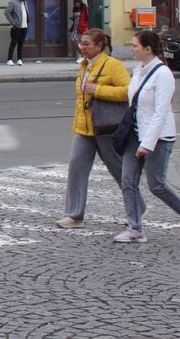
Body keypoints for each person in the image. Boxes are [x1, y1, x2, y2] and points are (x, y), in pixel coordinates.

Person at [114, 30, 180, 243]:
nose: (132, 49)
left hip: (158, 137)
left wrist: (147, 144)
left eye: (135, 45)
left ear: (148, 49)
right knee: (127, 181)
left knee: (156, 184)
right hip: (134, 134)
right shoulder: (138, 70)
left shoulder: (163, 74)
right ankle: (135, 229)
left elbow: (160, 111)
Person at [56, 28, 133, 228]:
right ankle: (74, 215)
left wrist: (98, 90)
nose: (82, 47)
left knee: (118, 169)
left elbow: (128, 92)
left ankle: (137, 209)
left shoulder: (112, 65)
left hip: (106, 127)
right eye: (82, 43)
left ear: (99, 46)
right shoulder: (84, 65)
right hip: (84, 128)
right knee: (76, 166)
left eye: (87, 44)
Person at [3, 0, 29, 66]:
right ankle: (9, 59)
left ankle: (19, 59)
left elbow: (26, 13)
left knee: (21, 43)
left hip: (24, 26)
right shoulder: (13, 3)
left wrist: (27, 22)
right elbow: (7, 12)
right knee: (13, 43)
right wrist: (13, 22)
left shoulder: (25, 3)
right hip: (16, 27)